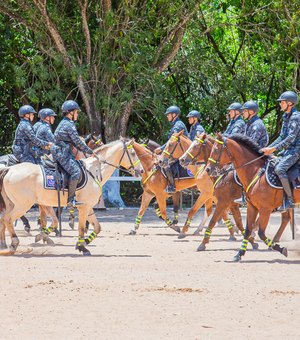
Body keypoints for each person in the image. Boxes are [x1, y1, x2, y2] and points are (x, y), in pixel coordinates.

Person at [51, 100, 96, 207]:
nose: (77, 114)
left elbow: (75, 143)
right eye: (76, 112)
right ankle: (70, 200)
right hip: (62, 154)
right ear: (70, 112)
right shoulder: (68, 125)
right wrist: (90, 152)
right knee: (76, 172)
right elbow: (77, 141)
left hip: (63, 152)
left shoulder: (64, 123)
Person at [261, 91, 300, 210]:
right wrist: (269, 148)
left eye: (282, 102)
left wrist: (274, 149)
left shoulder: (296, 117)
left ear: (290, 103)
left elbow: (291, 137)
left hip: (297, 149)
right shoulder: (285, 116)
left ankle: (289, 200)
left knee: (280, 168)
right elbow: (282, 136)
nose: (280, 105)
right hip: (289, 149)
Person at [154, 105, 188, 193]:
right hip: (177, 150)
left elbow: (171, 141)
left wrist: (161, 149)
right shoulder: (175, 125)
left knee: (166, 164)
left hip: (182, 151)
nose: (167, 116)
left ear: (174, 115)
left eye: (168, 114)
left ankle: (172, 186)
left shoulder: (178, 125)